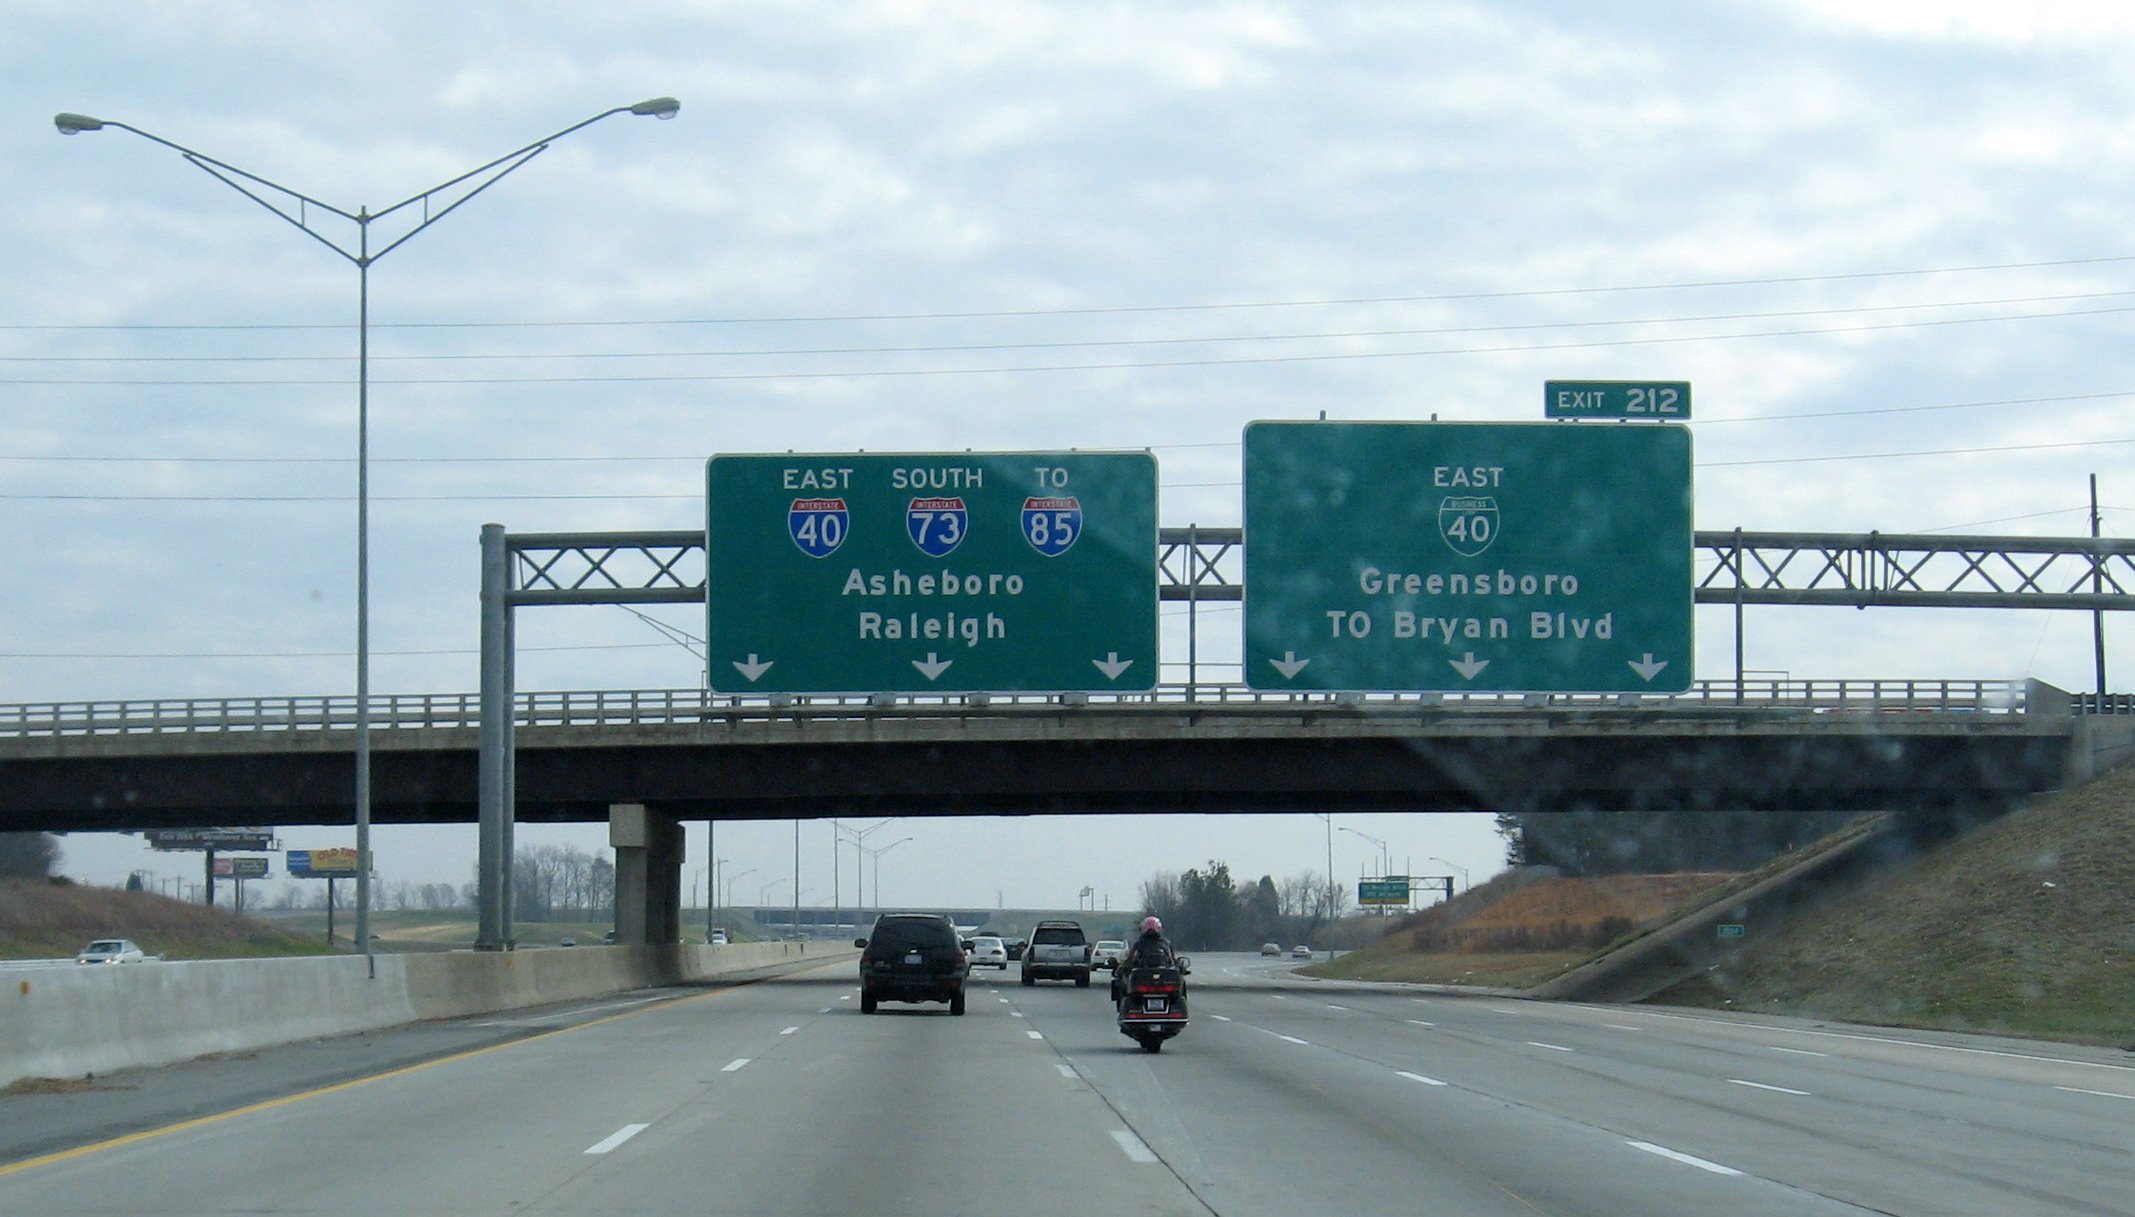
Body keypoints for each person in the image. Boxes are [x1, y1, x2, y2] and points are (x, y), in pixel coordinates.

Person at [1114, 916, 1181, 1010]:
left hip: (1142, 979)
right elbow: (1173, 961)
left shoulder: (1139, 944)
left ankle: (1122, 1006)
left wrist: (1122, 968)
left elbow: (1130, 961)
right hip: (1163, 979)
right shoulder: (1165, 944)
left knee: (1121, 982)